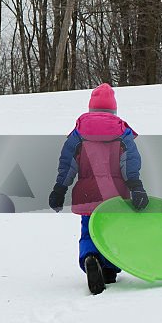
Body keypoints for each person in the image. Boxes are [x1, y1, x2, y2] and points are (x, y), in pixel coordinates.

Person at [48, 84, 148, 295]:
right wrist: (136, 187)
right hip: (115, 195)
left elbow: (68, 163)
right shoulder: (123, 132)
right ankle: (109, 268)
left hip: (87, 194)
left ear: (91, 108)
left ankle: (90, 258)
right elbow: (130, 163)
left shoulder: (78, 132)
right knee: (113, 232)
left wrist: (60, 188)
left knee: (89, 231)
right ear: (114, 110)